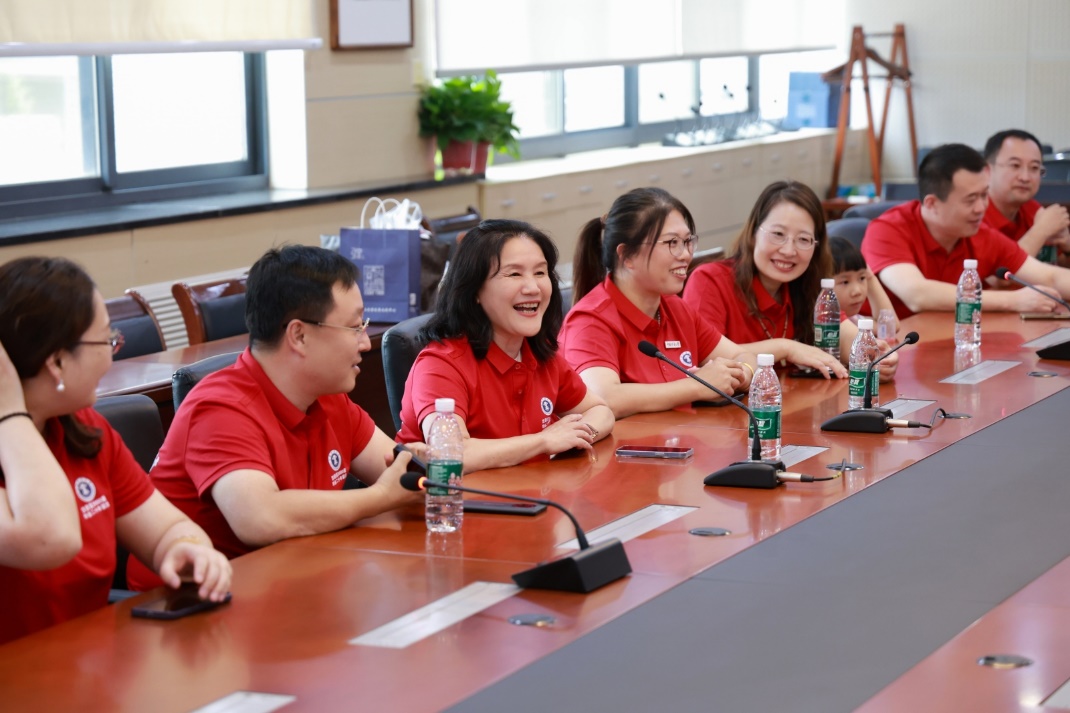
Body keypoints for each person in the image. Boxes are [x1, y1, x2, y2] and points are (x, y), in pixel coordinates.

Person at [128, 245, 421, 589]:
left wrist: (421, 466)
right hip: (187, 603)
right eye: (355, 327)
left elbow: (399, 472)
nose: (365, 343)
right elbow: (260, 518)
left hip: (289, 579)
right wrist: (380, 497)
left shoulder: (327, 396)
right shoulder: (221, 407)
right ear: (299, 335)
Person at [0, 257, 231, 644]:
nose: (112, 356)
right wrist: (9, 412)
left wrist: (187, 550)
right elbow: (51, 539)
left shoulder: (85, 429)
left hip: (88, 659)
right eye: (107, 341)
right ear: (56, 361)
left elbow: (166, 530)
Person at [396, 220, 614, 471]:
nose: (533, 288)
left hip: (532, 489)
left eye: (540, 273)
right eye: (514, 274)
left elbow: (600, 411)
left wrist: (577, 436)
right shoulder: (441, 364)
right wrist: (544, 441)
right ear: (474, 290)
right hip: (452, 496)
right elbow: (450, 453)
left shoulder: (539, 352)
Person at [559, 187, 755, 419]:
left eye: (687, 241)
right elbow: (604, 398)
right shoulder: (590, 320)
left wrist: (741, 374)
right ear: (627, 256)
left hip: (688, 437)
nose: (685, 254)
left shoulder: (675, 308)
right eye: (672, 242)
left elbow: (744, 356)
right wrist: (698, 386)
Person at [862, 143, 1070, 318]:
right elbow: (916, 294)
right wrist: (1013, 300)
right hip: (885, 345)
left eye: (984, 195)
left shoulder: (980, 234)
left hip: (951, 337)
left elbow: (1050, 277)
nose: (981, 208)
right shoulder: (887, 230)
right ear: (932, 203)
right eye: (970, 199)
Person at [682, 180, 849, 378]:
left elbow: (849, 339)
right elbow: (703, 356)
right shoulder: (710, 280)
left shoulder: (808, 284)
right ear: (753, 234)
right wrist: (785, 348)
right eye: (778, 234)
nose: (788, 250)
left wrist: (873, 356)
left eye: (804, 239)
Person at [983, 129, 1069, 264]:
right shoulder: (974, 214)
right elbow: (997, 274)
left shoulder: (1032, 209)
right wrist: (1041, 231)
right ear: (987, 170)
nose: (1025, 177)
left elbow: (1057, 265)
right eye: (1015, 165)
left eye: (1034, 168)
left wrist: (1067, 246)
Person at [829, 236, 898, 328]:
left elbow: (890, 327)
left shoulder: (853, 319)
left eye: (862, 278)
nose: (857, 291)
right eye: (845, 282)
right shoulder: (827, 322)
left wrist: (870, 277)